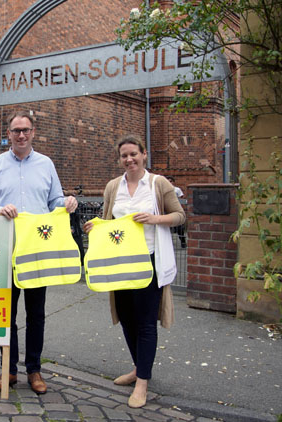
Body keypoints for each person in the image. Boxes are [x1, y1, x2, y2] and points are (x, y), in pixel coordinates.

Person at [0, 110, 78, 394]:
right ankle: (7, 369)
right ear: (7, 134)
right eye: (15, 130)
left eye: (26, 130)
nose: (21, 135)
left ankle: (34, 370)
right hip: (5, 250)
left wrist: (67, 201)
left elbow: (55, 200)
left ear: (33, 132)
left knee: (36, 314)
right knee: (5, 314)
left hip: (36, 251)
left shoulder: (46, 164)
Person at [83, 135, 185, 408]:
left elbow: (179, 216)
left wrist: (154, 218)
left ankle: (142, 383)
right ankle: (138, 368)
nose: (129, 160)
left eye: (133, 154)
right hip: (119, 263)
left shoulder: (157, 183)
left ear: (144, 155)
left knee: (146, 322)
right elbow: (107, 222)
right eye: (124, 156)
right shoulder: (112, 186)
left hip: (149, 261)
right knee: (126, 318)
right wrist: (95, 227)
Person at [166, 176, 187, 248]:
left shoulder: (177, 189)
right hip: (166, 211)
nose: (169, 182)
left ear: (173, 182)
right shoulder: (163, 189)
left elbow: (182, 198)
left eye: (171, 181)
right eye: (168, 181)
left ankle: (183, 241)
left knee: (179, 228)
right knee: (166, 228)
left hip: (175, 211)